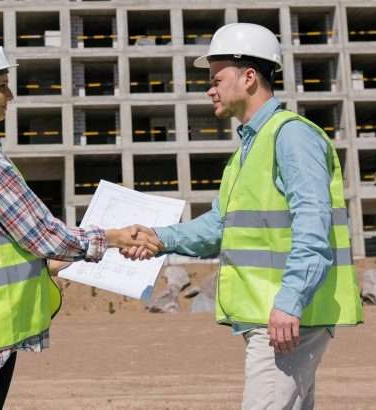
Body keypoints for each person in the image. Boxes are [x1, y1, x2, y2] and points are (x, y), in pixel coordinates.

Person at [125, 23, 362, 410]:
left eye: (217, 78)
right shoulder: (249, 148)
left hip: (285, 318)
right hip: (272, 316)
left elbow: (312, 227)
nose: (210, 89)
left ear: (249, 77)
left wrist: (290, 301)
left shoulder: (291, 136)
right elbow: (219, 226)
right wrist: (157, 238)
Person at [0, 35, 159, 410]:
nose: (10, 95)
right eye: (1, 86)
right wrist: (113, 237)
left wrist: (51, 261)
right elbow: (43, 233)